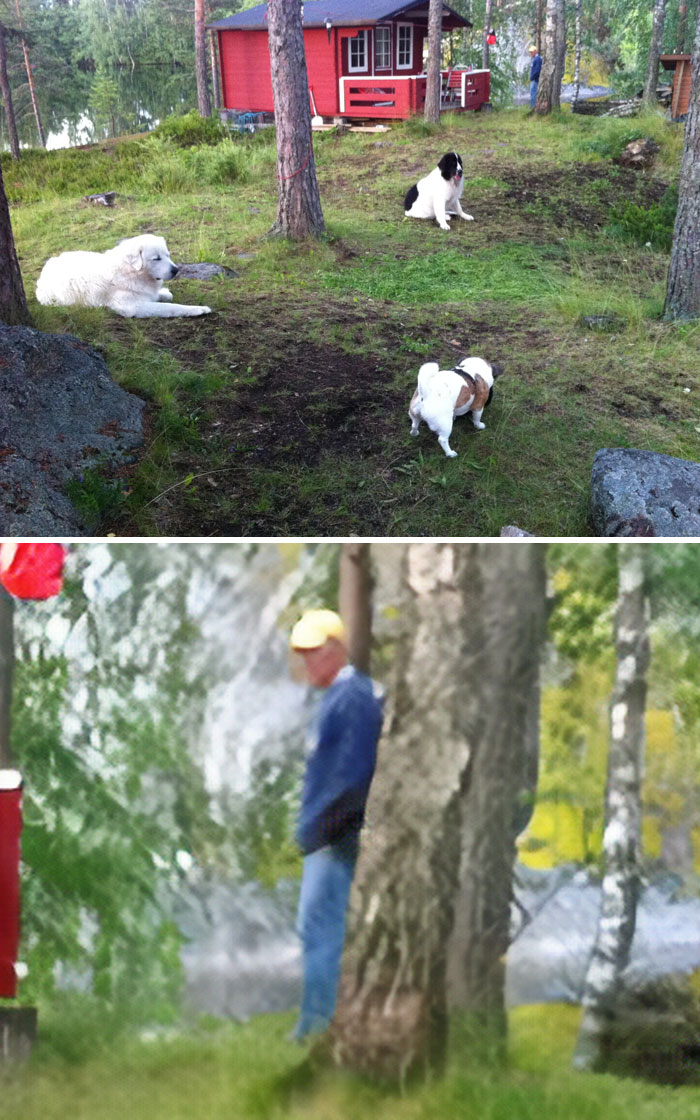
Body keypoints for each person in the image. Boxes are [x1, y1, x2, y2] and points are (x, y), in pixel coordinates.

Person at [289, 608, 383, 1041]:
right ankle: (318, 1021)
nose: (307, 661)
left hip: (334, 840)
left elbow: (354, 775)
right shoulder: (337, 697)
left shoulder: (353, 697)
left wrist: (321, 829)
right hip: (326, 839)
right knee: (318, 930)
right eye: (303, 653)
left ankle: (319, 1025)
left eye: (314, 651)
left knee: (321, 931)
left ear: (337, 649)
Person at [528, 45, 542, 109]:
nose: (530, 53)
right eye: (530, 52)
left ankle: (532, 107)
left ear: (535, 51)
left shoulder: (537, 59)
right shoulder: (536, 59)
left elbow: (537, 70)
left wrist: (532, 77)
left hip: (535, 80)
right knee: (533, 93)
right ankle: (533, 106)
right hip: (534, 79)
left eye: (532, 52)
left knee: (533, 93)